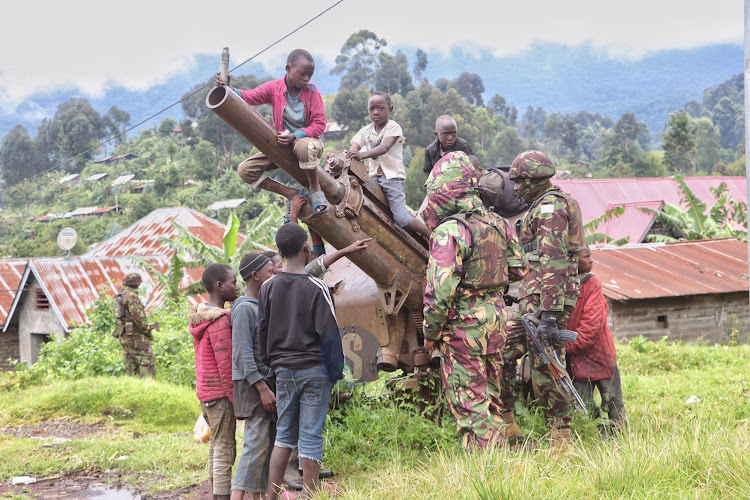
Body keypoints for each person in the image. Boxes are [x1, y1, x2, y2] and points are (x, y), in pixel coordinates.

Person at [422, 151, 526, 450]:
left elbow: (440, 292)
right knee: (492, 398)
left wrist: (431, 334)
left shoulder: (450, 231)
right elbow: (519, 269)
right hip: (496, 319)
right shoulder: (497, 223)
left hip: (464, 328)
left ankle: (487, 476)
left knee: (471, 406)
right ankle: (502, 463)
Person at [499, 150, 584, 451]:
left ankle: (561, 440)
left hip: (547, 302)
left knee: (547, 367)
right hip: (533, 298)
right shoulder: (544, 204)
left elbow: (554, 262)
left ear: (535, 180)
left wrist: (549, 315)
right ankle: (508, 427)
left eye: (520, 183)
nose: (516, 189)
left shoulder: (550, 208)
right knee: (504, 351)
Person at [258, 223, 344, 500]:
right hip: (314, 369)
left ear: (280, 252)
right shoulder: (317, 286)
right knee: (310, 435)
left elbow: (262, 330)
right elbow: (330, 334)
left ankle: (271, 496)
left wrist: (271, 366)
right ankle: (310, 495)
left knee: (283, 435)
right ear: (306, 247)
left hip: (283, 371)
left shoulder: (268, 287)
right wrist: (334, 373)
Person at [218, 49, 329, 215]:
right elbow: (248, 97)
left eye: (310, 75)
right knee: (245, 170)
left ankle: (315, 187)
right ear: (288, 69)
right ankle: (291, 193)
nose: (306, 79)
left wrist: (295, 136)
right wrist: (228, 88)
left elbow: (319, 125)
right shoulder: (274, 88)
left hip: (308, 144)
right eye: (303, 74)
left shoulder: (312, 92)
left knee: (302, 147)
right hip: (283, 145)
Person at [343, 91, 431, 239]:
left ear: (390, 109)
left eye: (380, 108)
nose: (376, 112)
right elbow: (354, 148)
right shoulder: (366, 131)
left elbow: (384, 148)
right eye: (372, 108)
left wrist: (361, 155)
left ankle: (430, 235)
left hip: (392, 178)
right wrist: (342, 156)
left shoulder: (394, 127)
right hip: (372, 178)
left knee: (401, 219)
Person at [189, 263, 238, 500]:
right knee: (224, 447)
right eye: (233, 282)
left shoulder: (201, 317)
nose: (237, 286)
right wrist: (234, 399)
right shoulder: (220, 322)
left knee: (217, 445)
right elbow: (225, 365)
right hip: (220, 395)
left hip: (206, 393)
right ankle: (221, 495)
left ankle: (216, 491)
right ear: (220, 286)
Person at [565, 247, 627, 433]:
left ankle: (621, 440)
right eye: (587, 257)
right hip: (576, 357)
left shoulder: (592, 284)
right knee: (585, 406)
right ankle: (597, 440)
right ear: (573, 261)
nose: (591, 261)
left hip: (599, 353)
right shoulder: (561, 286)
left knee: (614, 402)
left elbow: (591, 328)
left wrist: (564, 346)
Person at [231, 253, 276, 500]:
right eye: (270, 272)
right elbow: (242, 353)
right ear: (255, 276)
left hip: (264, 382)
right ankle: (237, 496)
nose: (273, 275)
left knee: (266, 444)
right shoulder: (244, 309)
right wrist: (262, 388)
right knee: (255, 444)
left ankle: (258, 495)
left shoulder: (260, 305)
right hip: (253, 385)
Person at [113, 273, 157, 377]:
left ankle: (132, 384)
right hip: (135, 335)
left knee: (131, 359)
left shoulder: (120, 295)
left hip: (124, 335)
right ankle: (148, 386)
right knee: (147, 360)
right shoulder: (131, 296)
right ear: (137, 284)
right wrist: (147, 330)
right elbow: (139, 318)